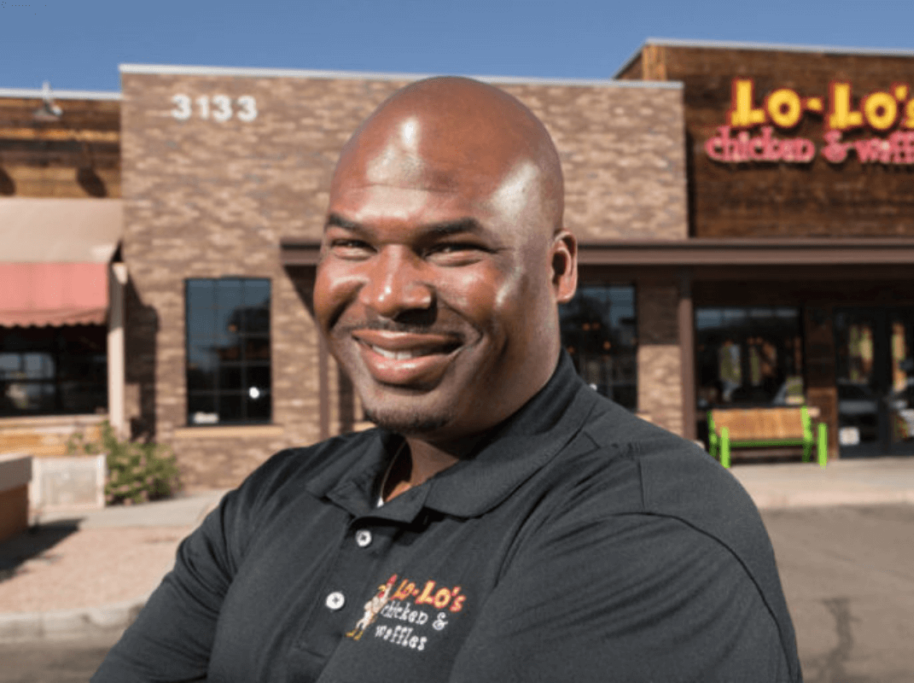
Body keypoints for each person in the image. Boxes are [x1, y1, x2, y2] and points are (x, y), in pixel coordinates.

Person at [94, 77, 802, 682]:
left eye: (451, 247)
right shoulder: (274, 498)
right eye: (353, 244)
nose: (391, 292)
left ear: (557, 271)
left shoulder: (647, 529)